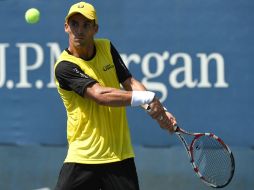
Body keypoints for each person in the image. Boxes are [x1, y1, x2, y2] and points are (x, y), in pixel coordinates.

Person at [54, 2, 177, 190]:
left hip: (120, 156)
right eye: (74, 24)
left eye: (86, 25)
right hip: (83, 158)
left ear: (95, 29)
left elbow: (129, 82)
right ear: (66, 27)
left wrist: (161, 112)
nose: (79, 30)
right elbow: (100, 95)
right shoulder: (64, 66)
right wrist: (148, 98)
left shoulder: (106, 48)